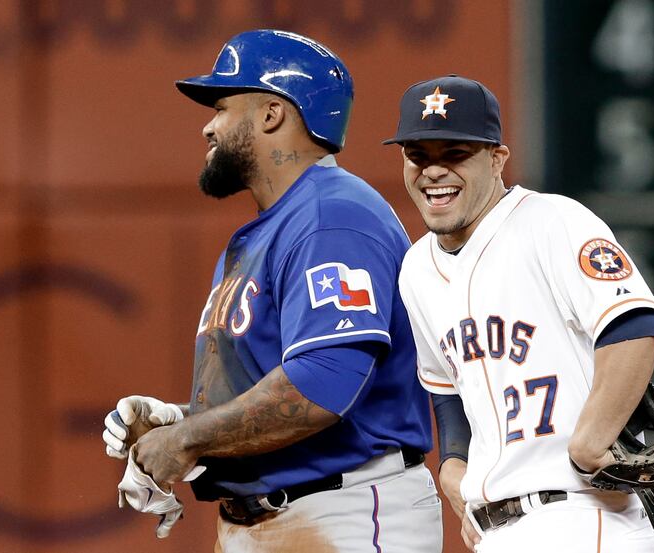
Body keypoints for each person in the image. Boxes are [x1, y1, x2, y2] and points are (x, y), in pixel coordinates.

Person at [102, 30, 442, 552]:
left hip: (344, 512)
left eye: (221, 106)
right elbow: (274, 386)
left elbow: (321, 386)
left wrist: (187, 439)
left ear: (271, 115)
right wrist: (180, 422)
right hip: (273, 516)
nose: (207, 125)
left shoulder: (332, 216)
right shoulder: (275, 227)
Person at [383, 75, 654, 552]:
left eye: (454, 154)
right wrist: (453, 461)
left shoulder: (552, 221)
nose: (433, 171)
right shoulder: (416, 267)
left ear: (497, 159)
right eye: (419, 155)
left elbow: (634, 324)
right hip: (496, 528)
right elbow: (445, 386)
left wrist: (589, 442)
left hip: (581, 514)